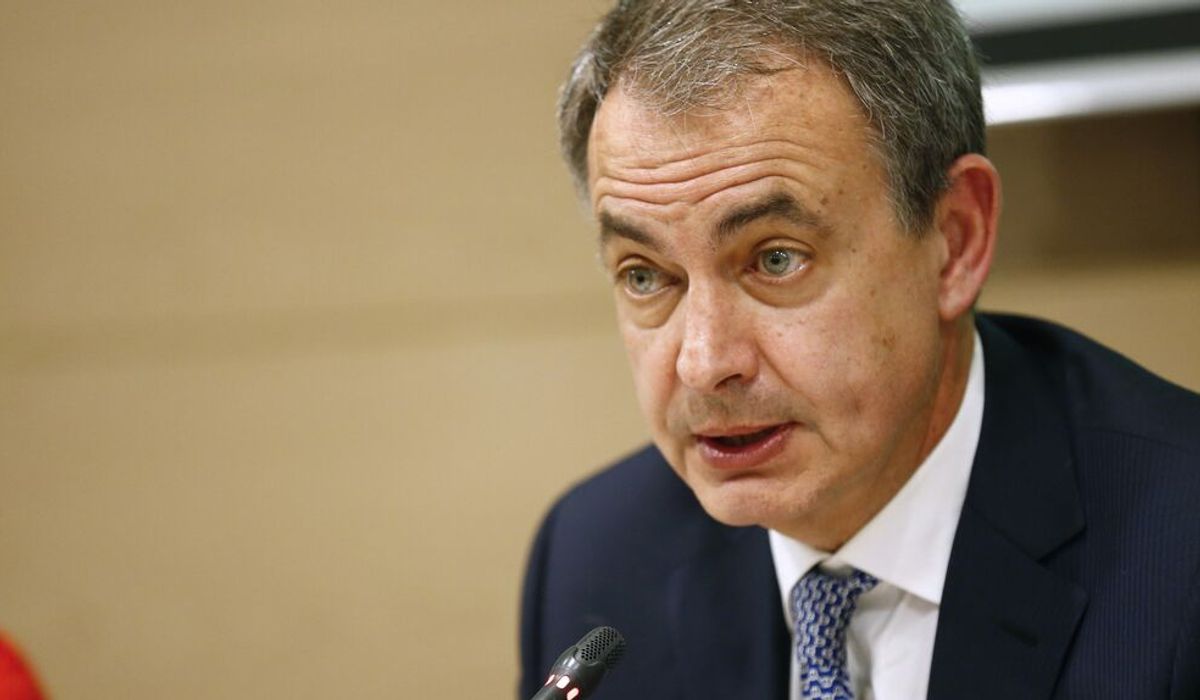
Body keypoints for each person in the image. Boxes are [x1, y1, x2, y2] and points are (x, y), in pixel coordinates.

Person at [518, 1, 1200, 698]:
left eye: (776, 259)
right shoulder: (596, 559)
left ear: (955, 240)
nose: (703, 363)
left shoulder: (1180, 559)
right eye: (644, 275)